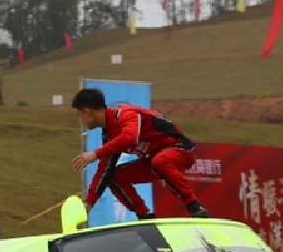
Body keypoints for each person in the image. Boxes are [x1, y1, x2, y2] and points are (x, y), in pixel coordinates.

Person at [70, 88, 209, 219]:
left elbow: (130, 137)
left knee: (160, 161)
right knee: (113, 176)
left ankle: (194, 205)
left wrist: (95, 154)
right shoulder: (109, 135)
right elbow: (103, 172)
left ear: (87, 111)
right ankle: (144, 215)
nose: (80, 120)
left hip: (182, 150)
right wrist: (88, 204)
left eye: (79, 114)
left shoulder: (125, 114)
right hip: (156, 159)